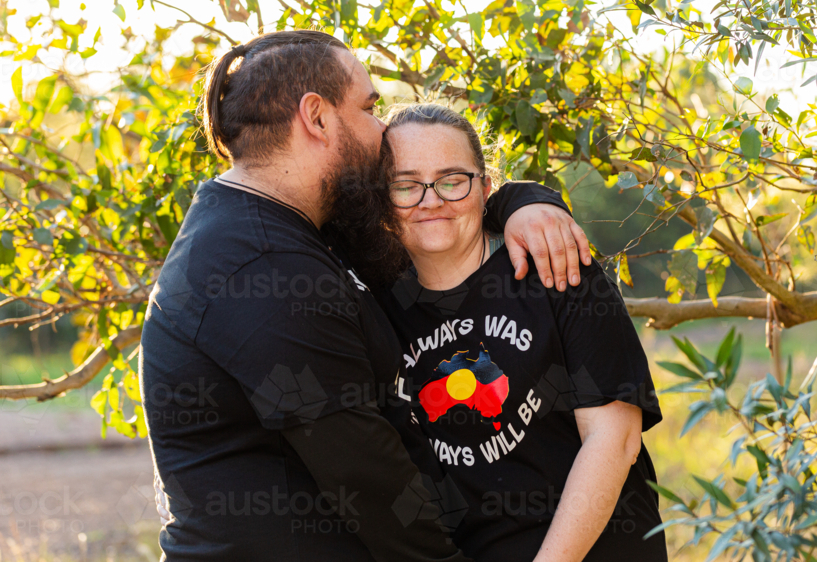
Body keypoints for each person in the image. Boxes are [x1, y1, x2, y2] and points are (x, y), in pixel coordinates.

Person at [140, 30, 591, 561]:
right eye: (371, 107)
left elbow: (436, 211)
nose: (383, 131)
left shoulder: (285, 231)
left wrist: (522, 201)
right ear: (317, 117)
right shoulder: (260, 267)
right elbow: (371, 480)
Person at [376, 103, 668, 562]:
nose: (431, 200)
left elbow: (616, 438)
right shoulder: (375, 305)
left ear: (486, 187)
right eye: (405, 185)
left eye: (453, 180)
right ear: (381, 197)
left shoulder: (556, 266)